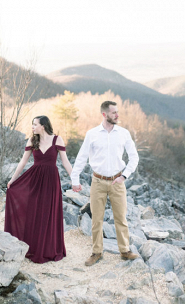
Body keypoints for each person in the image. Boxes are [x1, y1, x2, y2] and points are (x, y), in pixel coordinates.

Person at [71, 100, 140, 266]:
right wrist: (75, 179)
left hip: (117, 181)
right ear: (104, 114)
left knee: (121, 218)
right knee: (97, 219)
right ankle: (96, 252)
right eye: (113, 112)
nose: (117, 115)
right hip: (98, 181)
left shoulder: (123, 133)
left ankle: (125, 250)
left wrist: (124, 176)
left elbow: (134, 157)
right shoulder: (92, 134)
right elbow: (81, 158)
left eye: (117, 112)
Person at [4, 115, 73, 263]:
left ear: (43, 126)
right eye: (32, 124)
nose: (32, 127)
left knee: (48, 213)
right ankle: (32, 247)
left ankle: (47, 248)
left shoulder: (57, 140)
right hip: (34, 180)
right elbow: (23, 162)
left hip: (51, 180)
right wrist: (12, 180)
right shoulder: (32, 140)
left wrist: (75, 180)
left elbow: (65, 162)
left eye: (35, 124)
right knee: (34, 211)